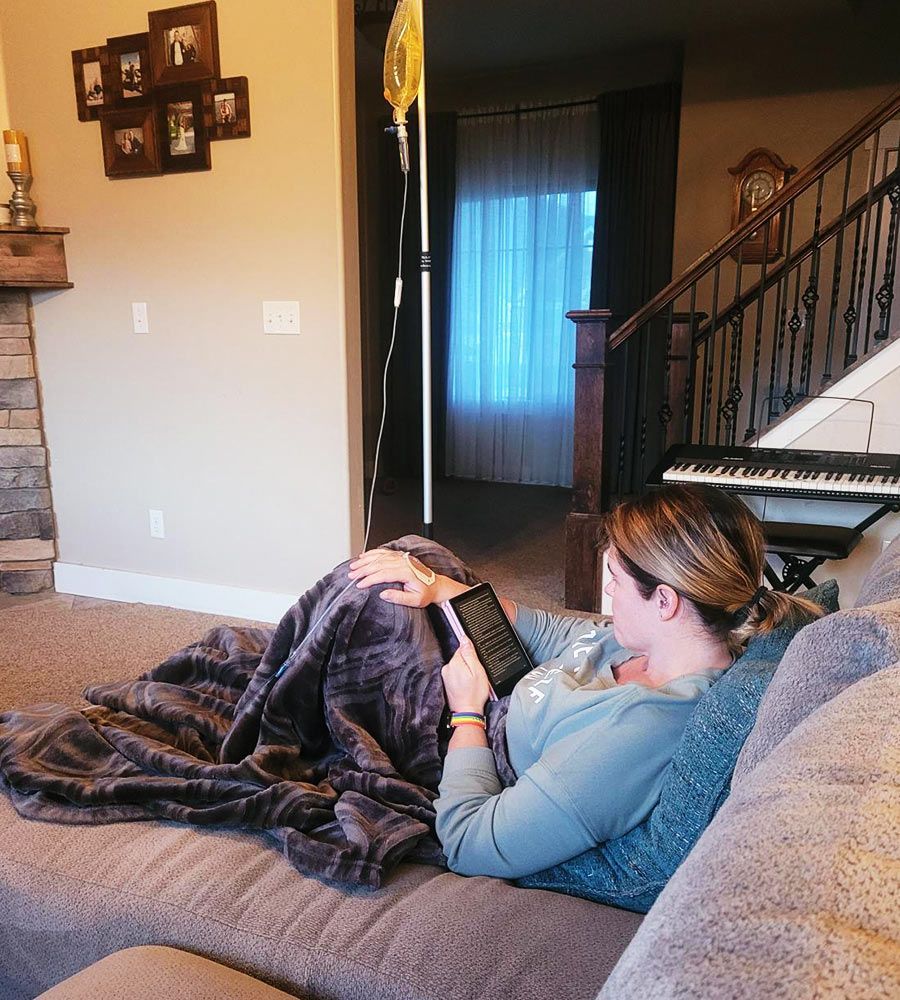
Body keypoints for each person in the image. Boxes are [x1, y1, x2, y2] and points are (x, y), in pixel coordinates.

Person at [348, 484, 822, 879]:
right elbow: (559, 633)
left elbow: (473, 844)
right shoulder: (648, 645)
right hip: (493, 687)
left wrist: (466, 713)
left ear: (665, 602)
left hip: (463, 734)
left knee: (366, 609)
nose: (608, 591)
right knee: (418, 557)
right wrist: (447, 591)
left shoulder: (636, 733)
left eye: (614, 578)